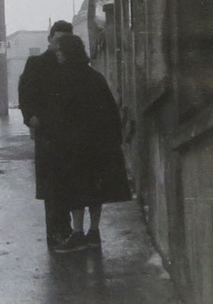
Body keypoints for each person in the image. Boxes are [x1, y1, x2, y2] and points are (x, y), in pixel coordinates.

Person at [46, 33, 132, 253]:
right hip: (98, 145)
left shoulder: (60, 78)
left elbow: (56, 115)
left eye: (59, 51)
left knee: (74, 190)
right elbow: (111, 110)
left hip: (72, 146)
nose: (57, 56)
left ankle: (77, 233)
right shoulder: (95, 77)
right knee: (96, 189)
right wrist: (114, 139)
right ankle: (94, 232)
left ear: (67, 52)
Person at [18, 19, 74, 246]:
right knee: (51, 184)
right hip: (47, 133)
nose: (59, 44)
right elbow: (25, 93)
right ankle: (55, 230)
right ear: (49, 40)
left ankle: (68, 229)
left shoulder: (73, 64)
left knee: (70, 182)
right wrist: (29, 116)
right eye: (56, 39)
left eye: (64, 40)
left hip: (70, 132)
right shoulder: (36, 63)